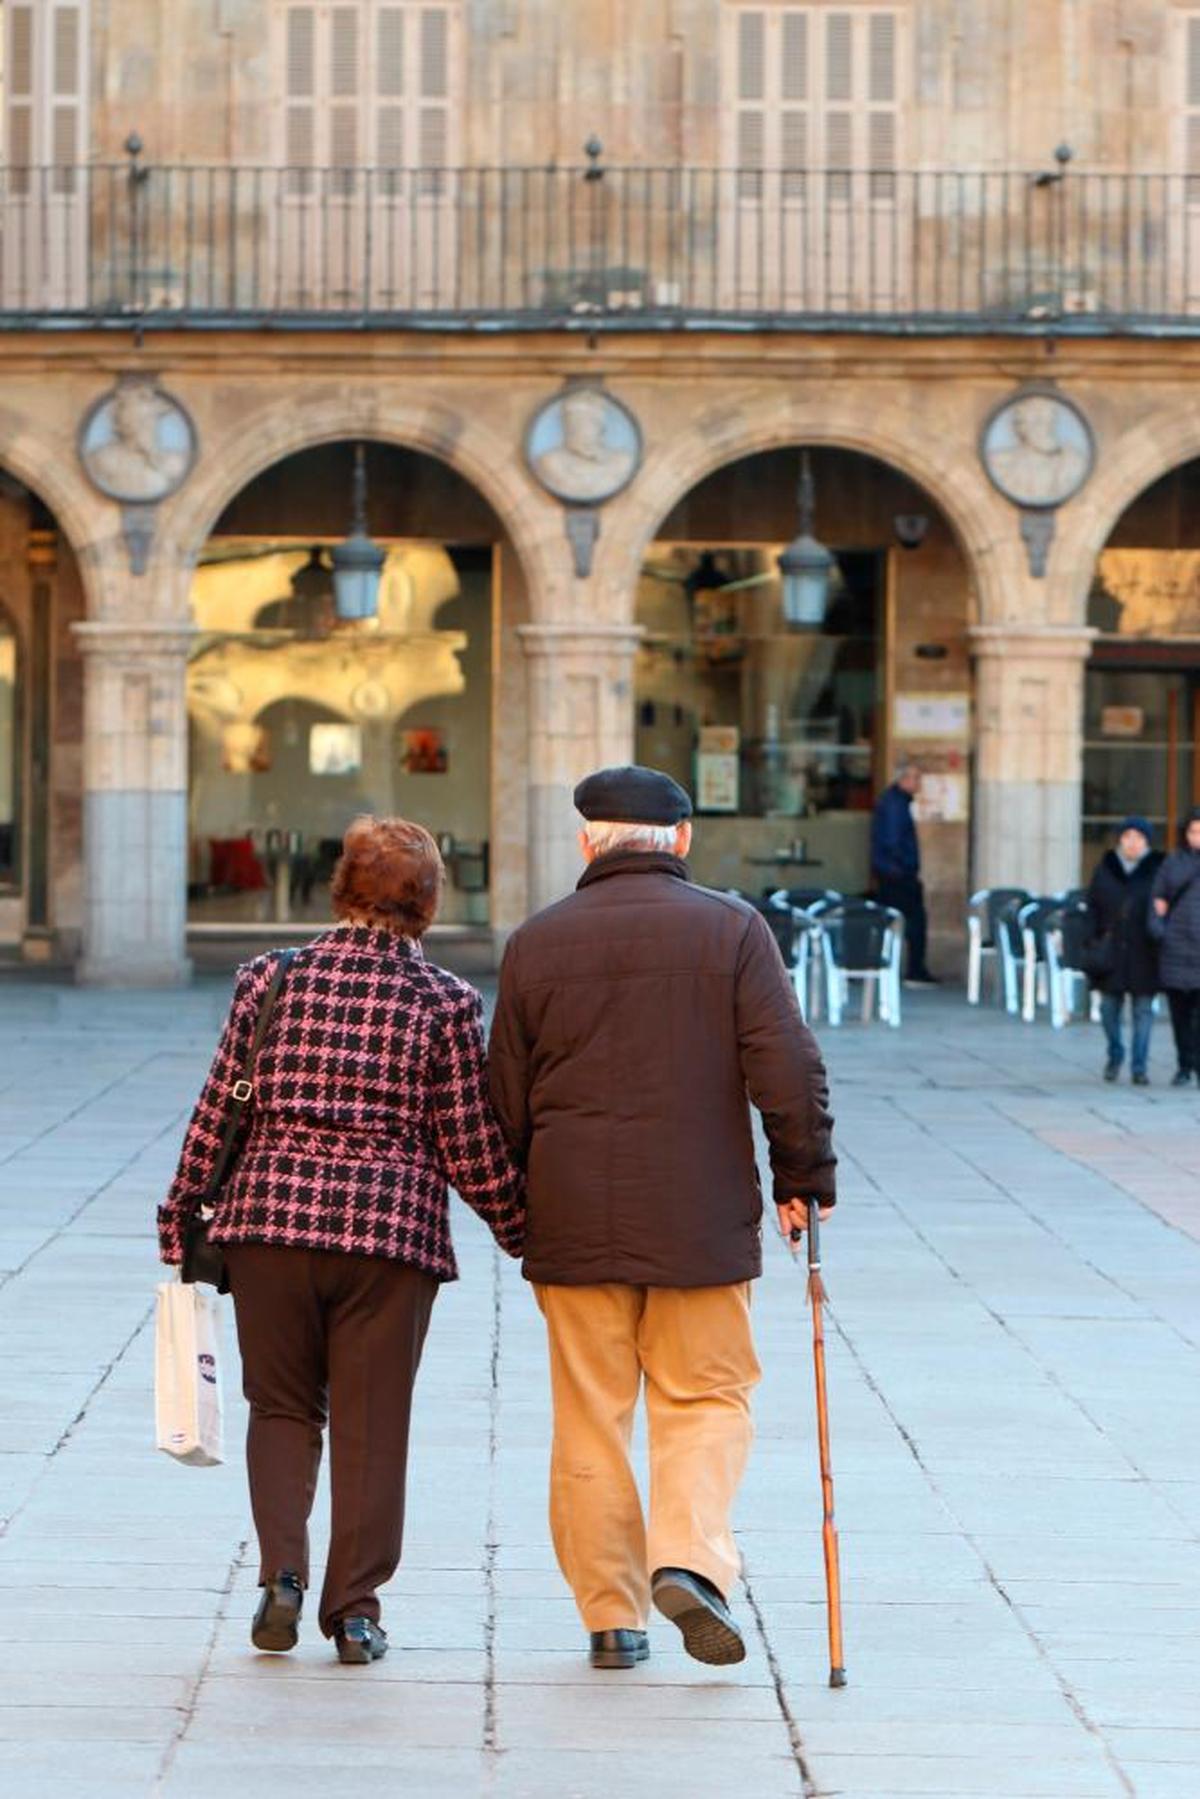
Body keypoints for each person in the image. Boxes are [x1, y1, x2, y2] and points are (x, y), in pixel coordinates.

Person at [488, 765, 836, 1672]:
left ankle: (611, 1616)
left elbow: (504, 1100)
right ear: (681, 839)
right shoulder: (732, 930)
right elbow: (786, 1067)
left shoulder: (536, 941)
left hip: (573, 1222)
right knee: (707, 1397)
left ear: (585, 840)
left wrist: (525, 1203)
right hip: (700, 1220)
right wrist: (804, 1173)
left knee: (590, 1418)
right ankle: (687, 1560)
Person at [157, 816, 525, 1664]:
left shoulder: (270, 977)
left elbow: (222, 1105)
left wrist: (181, 1213)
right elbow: (468, 1141)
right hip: (387, 1239)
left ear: (342, 889)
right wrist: (525, 1232)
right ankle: (354, 1612)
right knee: (372, 1423)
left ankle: (282, 1570)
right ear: (429, 903)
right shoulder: (443, 1001)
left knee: (282, 1406)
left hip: (270, 1226)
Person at [1085, 816, 1163, 1085]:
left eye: (1139, 838)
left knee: (1143, 1010)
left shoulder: (1157, 868)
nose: (1133, 843)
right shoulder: (1106, 868)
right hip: (1112, 951)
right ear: (1120, 839)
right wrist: (1092, 938)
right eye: (1128, 836)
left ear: (1147, 842)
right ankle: (1115, 1053)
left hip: (1145, 952)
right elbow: (1093, 905)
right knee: (1108, 1008)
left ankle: (1139, 1066)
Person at [870, 759, 936, 984]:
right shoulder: (894, 804)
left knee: (901, 922)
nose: (919, 783)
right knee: (913, 922)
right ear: (905, 779)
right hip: (896, 876)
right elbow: (892, 841)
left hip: (894, 873)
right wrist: (904, 868)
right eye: (916, 778)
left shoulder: (897, 802)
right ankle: (914, 971)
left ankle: (895, 969)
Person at [1150, 805, 1200, 1086]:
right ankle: (1184, 1065)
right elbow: (1156, 901)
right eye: (1194, 832)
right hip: (1176, 952)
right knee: (1180, 1016)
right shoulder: (1172, 864)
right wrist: (1162, 932)